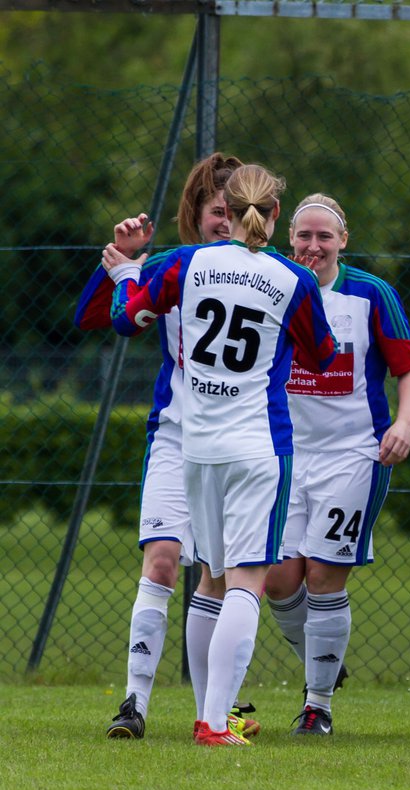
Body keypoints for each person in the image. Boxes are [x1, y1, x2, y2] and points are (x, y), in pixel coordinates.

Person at [104, 164, 336, 745]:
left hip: (197, 447)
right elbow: (324, 357)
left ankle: (206, 717)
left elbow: (133, 315)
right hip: (258, 446)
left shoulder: (187, 265)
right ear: (275, 215)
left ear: (223, 212)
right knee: (245, 580)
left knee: (209, 576)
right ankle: (212, 720)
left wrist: (129, 273)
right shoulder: (291, 278)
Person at [74, 153, 261, 740]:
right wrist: (124, 263)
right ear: (196, 215)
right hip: (177, 438)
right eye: (215, 212)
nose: (226, 222)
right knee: (160, 560)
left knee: (224, 573)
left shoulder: (268, 276)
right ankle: (134, 704)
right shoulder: (174, 268)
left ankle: (214, 710)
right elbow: (92, 318)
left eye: (236, 212)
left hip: (239, 445)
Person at [259, 193, 410, 736]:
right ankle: (324, 659)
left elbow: (409, 367)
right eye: (304, 235)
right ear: (290, 239)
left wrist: (404, 424)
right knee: (279, 579)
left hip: (355, 454)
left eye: (324, 236)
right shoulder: (272, 285)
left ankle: (318, 705)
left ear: (343, 241)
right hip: (284, 453)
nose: (313, 246)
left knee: (326, 576)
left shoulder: (371, 294)